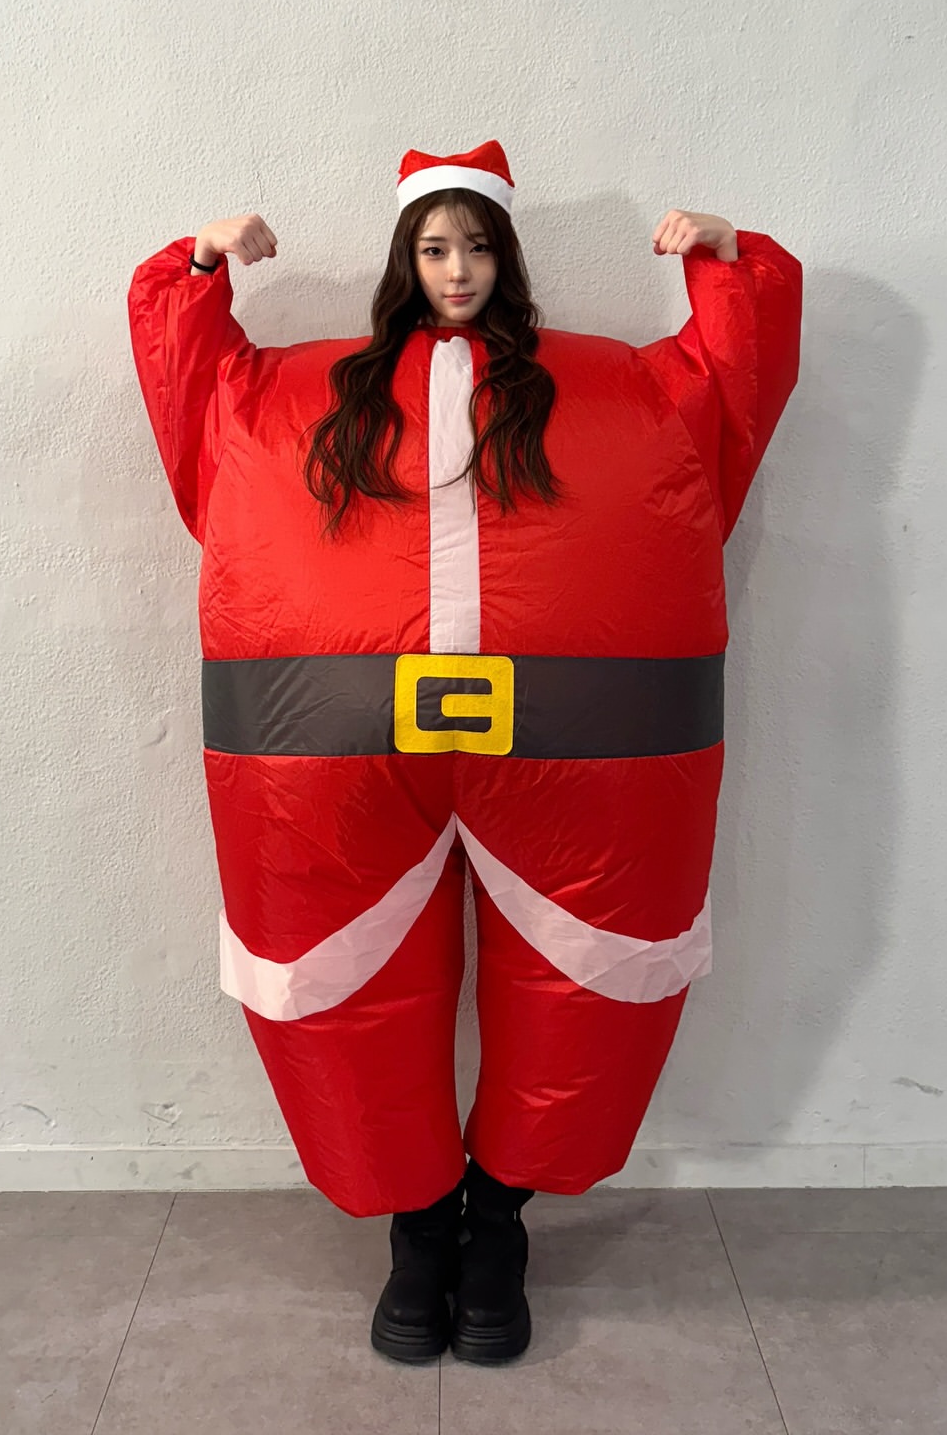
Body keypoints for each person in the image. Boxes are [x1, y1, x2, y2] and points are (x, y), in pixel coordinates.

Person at [127, 140, 801, 1366]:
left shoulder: (609, 389)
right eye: (435, 248)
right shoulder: (307, 391)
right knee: (342, 995)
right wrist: (199, 270)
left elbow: (727, 391)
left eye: (478, 246)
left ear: (507, 256)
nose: (457, 271)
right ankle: (417, 1229)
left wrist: (727, 262)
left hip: (583, 752)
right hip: (334, 754)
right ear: (406, 258)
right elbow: (198, 401)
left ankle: (499, 1223)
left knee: (586, 990)